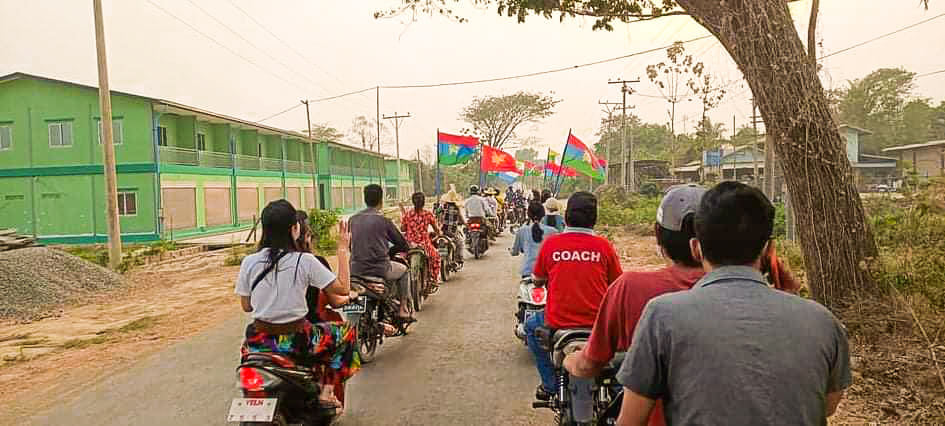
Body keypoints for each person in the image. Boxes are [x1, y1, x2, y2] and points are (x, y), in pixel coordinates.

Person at [615, 182, 851, 426]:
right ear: (769, 249)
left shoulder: (662, 315)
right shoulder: (823, 321)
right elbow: (826, 405)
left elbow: (630, 421)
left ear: (696, 248)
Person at [236, 199, 359, 409]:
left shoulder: (249, 261)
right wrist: (342, 249)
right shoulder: (304, 261)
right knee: (347, 333)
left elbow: (246, 306)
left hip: (258, 340)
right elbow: (343, 290)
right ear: (295, 229)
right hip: (298, 339)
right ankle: (327, 392)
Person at [526, 191, 624, 400]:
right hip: (597, 323)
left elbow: (537, 279)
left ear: (567, 215)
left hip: (556, 323)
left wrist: (541, 281)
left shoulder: (552, 244)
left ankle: (550, 385)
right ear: (594, 218)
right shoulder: (604, 247)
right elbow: (617, 284)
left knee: (530, 326)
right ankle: (616, 389)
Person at [348, 184, 414, 321]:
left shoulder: (352, 220)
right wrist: (389, 253)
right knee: (404, 270)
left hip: (355, 270)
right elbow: (402, 244)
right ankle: (403, 308)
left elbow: (350, 246)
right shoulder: (384, 221)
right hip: (379, 269)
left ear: (365, 199)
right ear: (381, 200)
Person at [400, 192, 442, 286]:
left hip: (409, 244)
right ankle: (434, 279)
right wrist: (438, 235)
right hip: (424, 244)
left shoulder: (408, 214)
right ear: (423, 202)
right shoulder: (428, 214)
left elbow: (402, 229)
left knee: (401, 258)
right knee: (436, 258)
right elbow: (437, 230)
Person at [510, 201, 559, 277]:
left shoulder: (521, 230)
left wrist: (511, 251)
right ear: (543, 214)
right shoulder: (553, 232)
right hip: (546, 272)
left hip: (527, 272)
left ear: (528, 214)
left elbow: (515, 252)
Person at [440, 184, 467, 265]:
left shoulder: (442, 207)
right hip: (452, 232)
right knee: (461, 242)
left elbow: (438, 217)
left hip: (443, 231)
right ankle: (458, 259)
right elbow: (461, 219)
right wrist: (465, 223)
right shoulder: (456, 208)